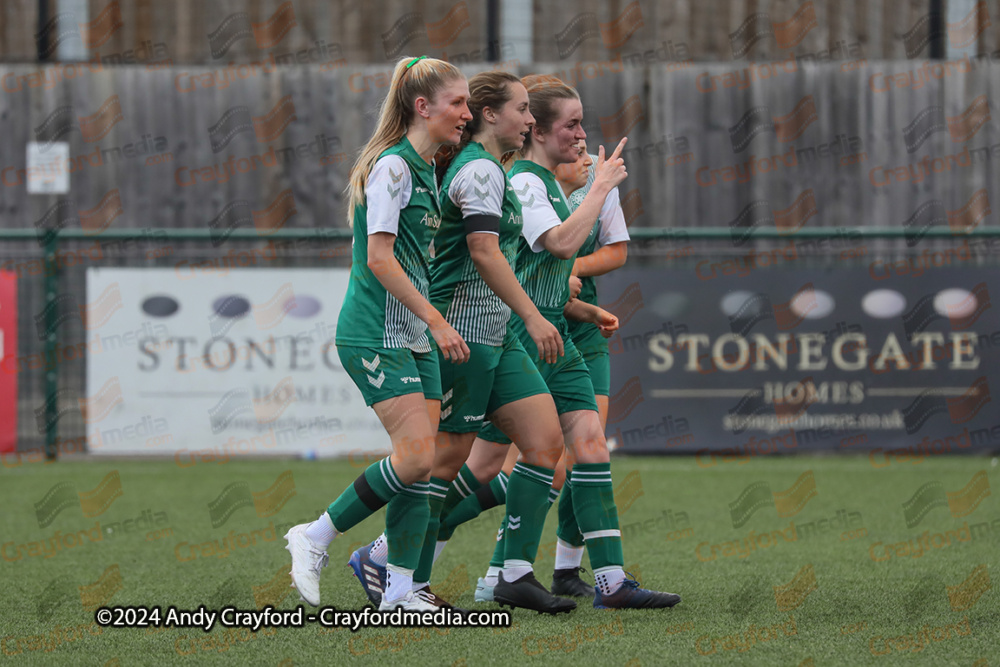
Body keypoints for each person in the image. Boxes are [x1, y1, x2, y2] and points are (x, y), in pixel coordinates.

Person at [349, 71, 576, 614]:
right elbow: (482, 251)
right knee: (442, 462)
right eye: (523, 110)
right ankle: (397, 572)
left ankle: (513, 572)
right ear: (489, 114)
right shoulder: (477, 170)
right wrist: (534, 315)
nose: (529, 120)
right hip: (465, 334)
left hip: (496, 334)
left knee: (545, 444)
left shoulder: (490, 169)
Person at [470, 74, 681, 609]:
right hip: (518, 332)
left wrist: (576, 304)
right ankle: (393, 551)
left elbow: (562, 261)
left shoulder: (548, 184)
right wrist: (602, 187)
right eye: (573, 123)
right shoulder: (523, 184)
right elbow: (561, 244)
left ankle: (607, 581)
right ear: (537, 130)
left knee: (587, 442)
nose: (582, 133)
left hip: (556, 331)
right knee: (480, 464)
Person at [282, 55, 472, 613]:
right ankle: (314, 535)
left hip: (411, 334)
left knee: (428, 464)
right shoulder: (392, 167)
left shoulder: (427, 167)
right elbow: (381, 260)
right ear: (423, 107)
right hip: (376, 332)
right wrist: (438, 319)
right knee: (415, 461)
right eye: (457, 103)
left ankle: (400, 590)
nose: (466, 113)